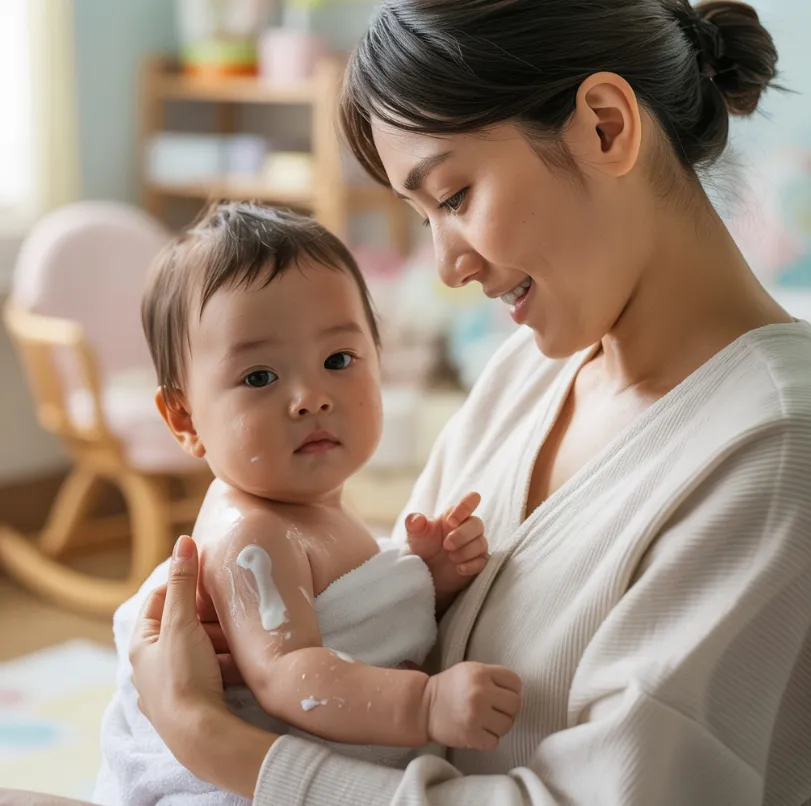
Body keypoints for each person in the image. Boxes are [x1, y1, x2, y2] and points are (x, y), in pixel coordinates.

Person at [127, 0, 811, 804]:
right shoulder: (529, 372)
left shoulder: (772, 454)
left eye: (453, 197)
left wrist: (212, 740)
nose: (447, 265)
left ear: (602, 126)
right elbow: (396, 619)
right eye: (422, 216)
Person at [92, 203, 521, 806]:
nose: (310, 397)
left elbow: (356, 620)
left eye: (338, 361)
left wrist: (427, 579)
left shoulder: (313, 513)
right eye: (261, 377)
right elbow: (288, 677)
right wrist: (426, 704)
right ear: (185, 418)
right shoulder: (252, 536)